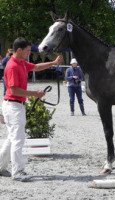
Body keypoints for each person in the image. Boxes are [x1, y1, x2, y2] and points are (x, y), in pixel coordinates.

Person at [0, 37, 63, 182]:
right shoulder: (13, 66)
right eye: (28, 50)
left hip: (15, 105)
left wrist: (53, 63)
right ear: (19, 50)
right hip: (13, 105)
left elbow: (36, 67)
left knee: (12, 138)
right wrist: (35, 94)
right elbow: (14, 90)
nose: (30, 52)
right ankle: (18, 171)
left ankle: (1, 167)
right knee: (18, 139)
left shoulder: (21, 62)